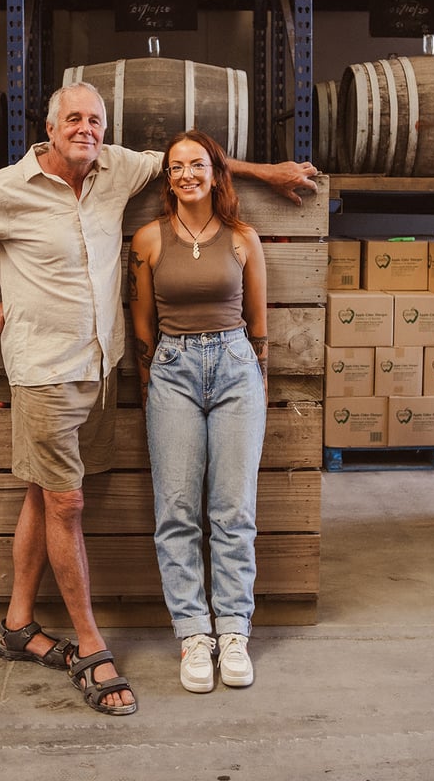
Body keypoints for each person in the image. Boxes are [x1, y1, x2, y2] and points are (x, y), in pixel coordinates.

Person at [0, 82, 316, 716]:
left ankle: (18, 623)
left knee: (44, 493)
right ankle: (93, 646)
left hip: (100, 368)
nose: (86, 128)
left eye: (96, 119)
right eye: (74, 118)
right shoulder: (4, 191)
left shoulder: (113, 168)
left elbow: (192, 161)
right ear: (48, 126)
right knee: (67, 502)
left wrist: (268, 169)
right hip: (42, 371)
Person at [128, 129, 268, 694]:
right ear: (168, 177)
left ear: (216, 172)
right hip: (173, 373)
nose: (186, 173)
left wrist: (259, 382)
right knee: (177, 511)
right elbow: (142, 324)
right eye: (176, 166)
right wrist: (151, 386)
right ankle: (193, 634)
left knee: (233, 510)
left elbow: (259, 324)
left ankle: (233, 631)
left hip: (236, 366)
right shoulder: (148, 239)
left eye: (197, 164)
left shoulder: (242, 238)